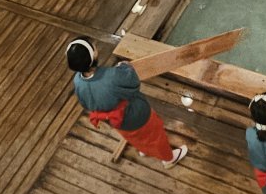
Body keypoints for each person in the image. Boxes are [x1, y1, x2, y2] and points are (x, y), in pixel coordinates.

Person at [66, 37, 188, 167]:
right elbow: (133, 82)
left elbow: (86, 104)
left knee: (135, 138)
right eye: (93, 46)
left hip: (118, 123)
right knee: (155, 136)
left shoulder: (78, 82)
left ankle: (144, 149)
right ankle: (169, 158)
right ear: (93, 54)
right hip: (137, 115)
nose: (96, 47)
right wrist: (124, 66)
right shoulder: (112, 76)